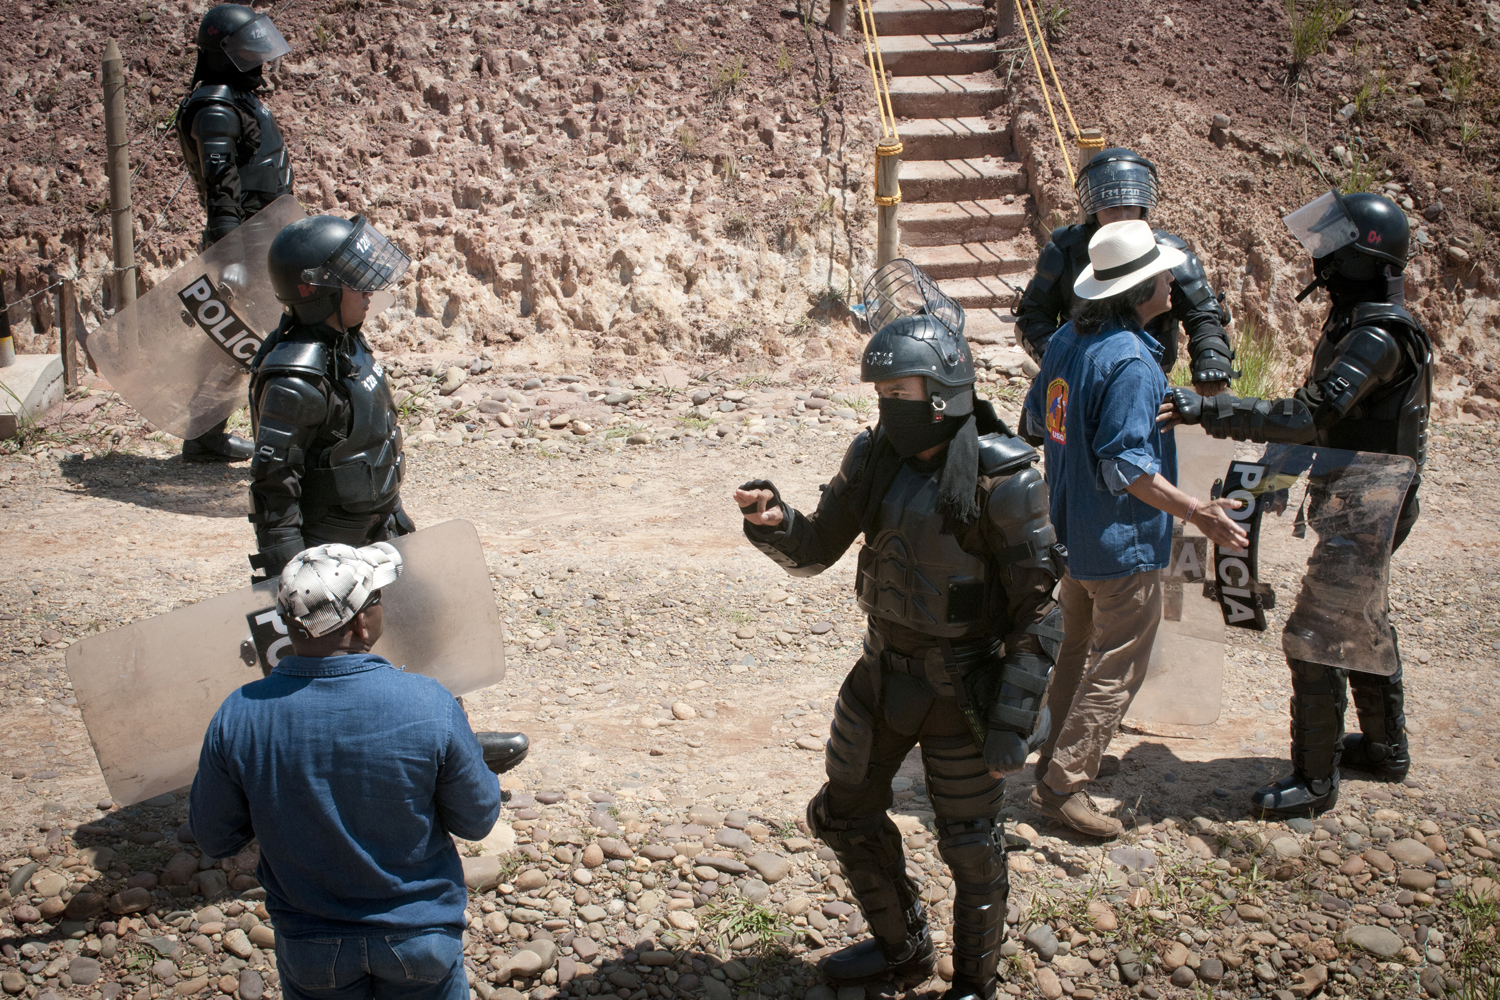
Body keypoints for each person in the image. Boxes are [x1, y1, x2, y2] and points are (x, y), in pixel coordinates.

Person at [734, 260, 1062, 1000]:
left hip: (964, 688)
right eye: (881, 393)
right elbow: (817, 547)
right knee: (842, 815)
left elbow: (1041, 611)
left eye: (901, 393)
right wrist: (776, 522)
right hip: (882, 674)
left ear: (945, 392)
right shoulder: (874, 456)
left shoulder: (1004, 478)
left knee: (971, 849)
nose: (889, 406)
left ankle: (973, 983)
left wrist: (1014, 719)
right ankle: (902, 945)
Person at [1162, 191, 1430, 817]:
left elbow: (1314, 414)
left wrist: (1213, 411)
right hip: (1361, 492)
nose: (1322, 259)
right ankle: (1386, 752)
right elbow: (1334, 425)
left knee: (1314, 632)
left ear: (1364, 254)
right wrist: (1270, 477)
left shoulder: (1378, 335)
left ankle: (1314, 781)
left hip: (1373, 502)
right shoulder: (1356, 324)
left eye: (1333, 247)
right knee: (1360, 620)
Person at [189, 542, 501, 1000]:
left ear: (287, 621)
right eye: (377, 596)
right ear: (360, 621)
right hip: (420, 938)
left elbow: (215, 837)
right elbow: (478, 820)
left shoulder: (238, 715)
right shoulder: (428, 702)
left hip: (311, 946)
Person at [1021, 220, 1247, 837]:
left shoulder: (1068, 339)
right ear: (1142, 286)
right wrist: (1197, 512)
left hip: (1070, 530)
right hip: (1121, 542)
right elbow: (1125, 467)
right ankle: (1064, 784)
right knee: (1119, 663)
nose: (1174, 279)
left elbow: (1039, 420)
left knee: (1075, 649)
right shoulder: (1132, 364)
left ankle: (1056, 756)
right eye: (1164, 272)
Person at [175, 3, 297, 462]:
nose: (257, 56)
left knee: (241, 343)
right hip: (242, 240)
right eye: (245, 47)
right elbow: (219, 181)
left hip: (262, 233)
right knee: (238, 343)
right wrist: (229, 253)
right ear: (222, 51)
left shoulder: (235, 95)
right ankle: (214, 438)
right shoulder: (214, 105)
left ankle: (208, 437)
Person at [1015, 147, 1235, 395]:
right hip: (1077, 378)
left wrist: (1211, 360)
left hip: (1147, 377)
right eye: (1111, 209)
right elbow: (1031, 317)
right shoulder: (1064, 251)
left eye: (1129, 207)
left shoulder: (1165, 253)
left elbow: (1203, 315)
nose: (1121, 216)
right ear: (1094, 210)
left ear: (1143, 206)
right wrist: (1060, 360)